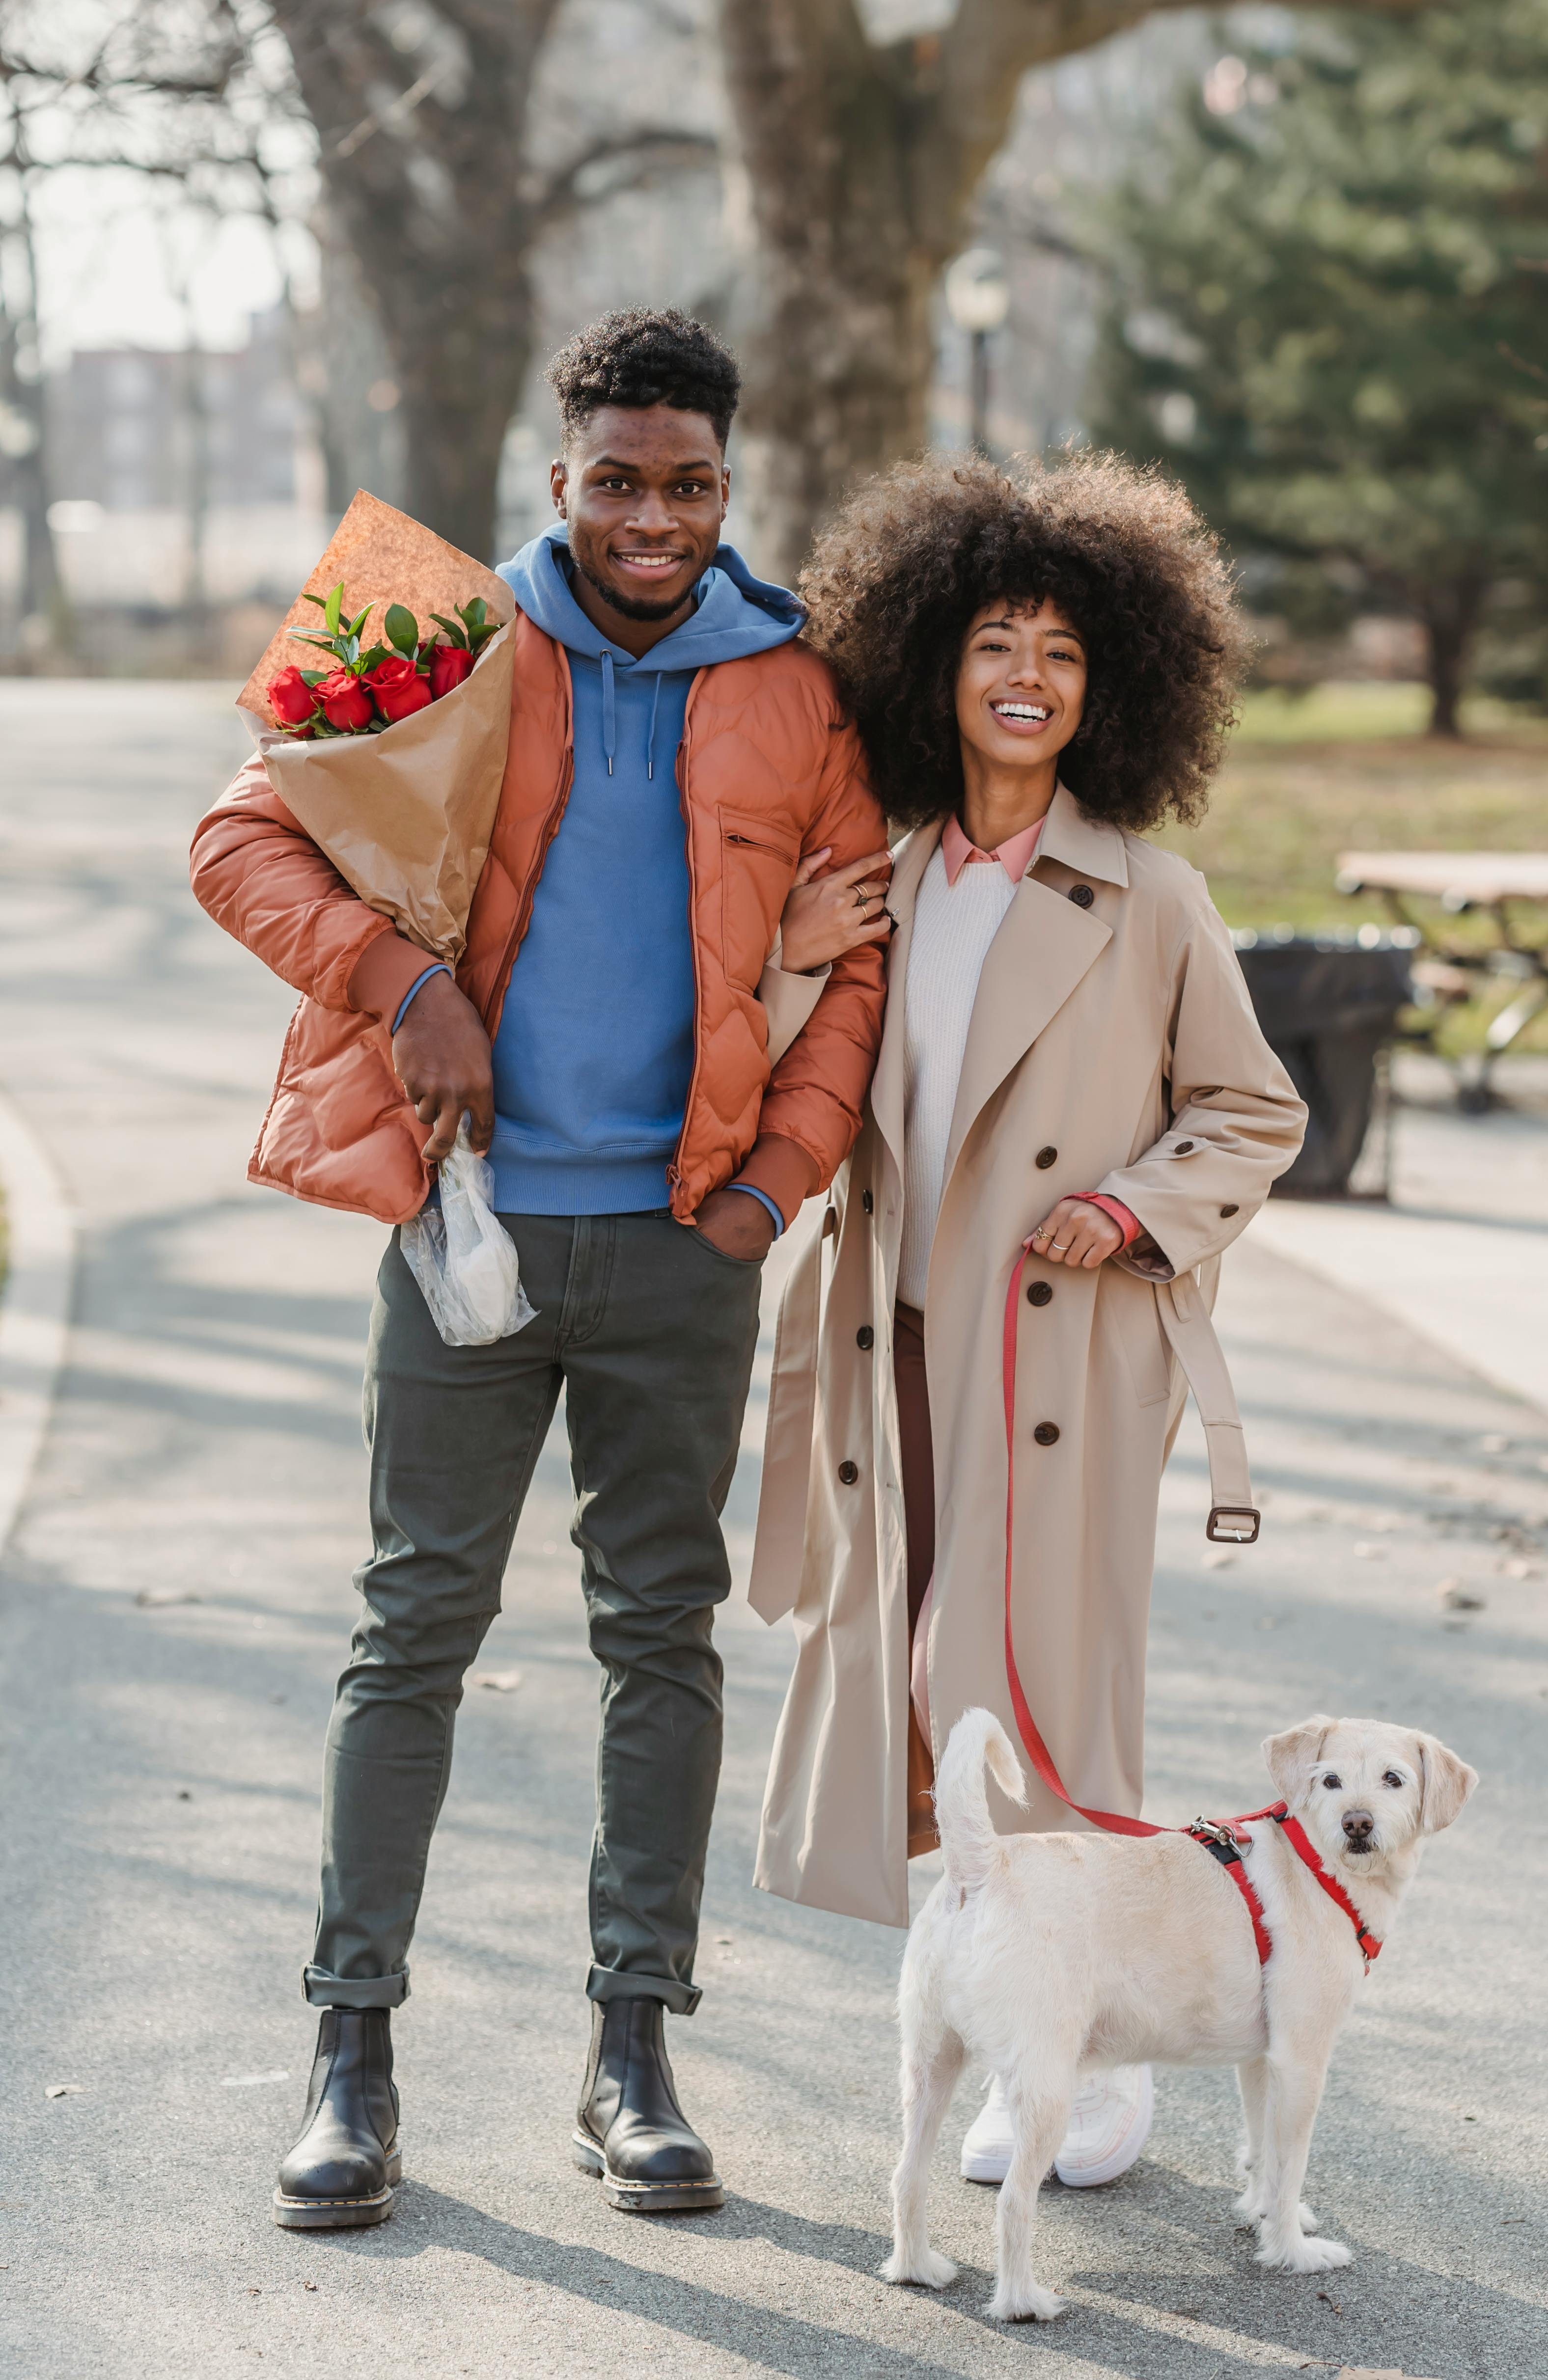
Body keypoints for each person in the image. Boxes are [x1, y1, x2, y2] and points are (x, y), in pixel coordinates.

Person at [189, 309, 889, 2231]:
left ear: (726, 487)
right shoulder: (426, 625)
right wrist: (401, 978)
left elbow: (865, 966)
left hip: (685, 1246)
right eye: (615, 481)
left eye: (688, 485)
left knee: (657, 1640)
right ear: (558, 477)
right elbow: (238, 843)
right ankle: (350, 2059)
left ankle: (632, 2054)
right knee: (412, 1632)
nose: (651, 517)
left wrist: (772, 1191)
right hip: (463, 1227)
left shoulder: (800, 686)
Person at [747, 454, 1307, 2194]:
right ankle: (997, 2019)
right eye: (997, 637)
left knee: (1042, 1698)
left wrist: (1134, 1206)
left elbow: (1252, 1108)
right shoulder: (881, 881)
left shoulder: (1151, 896)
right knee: (918, 1713)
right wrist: (786, 953)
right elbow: (782, 1084)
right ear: (936, 664)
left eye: (1065, 651)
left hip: (1057, 1358)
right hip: (884, 1351)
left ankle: (1091, 2058)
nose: (1029, 674)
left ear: (1109, 688)